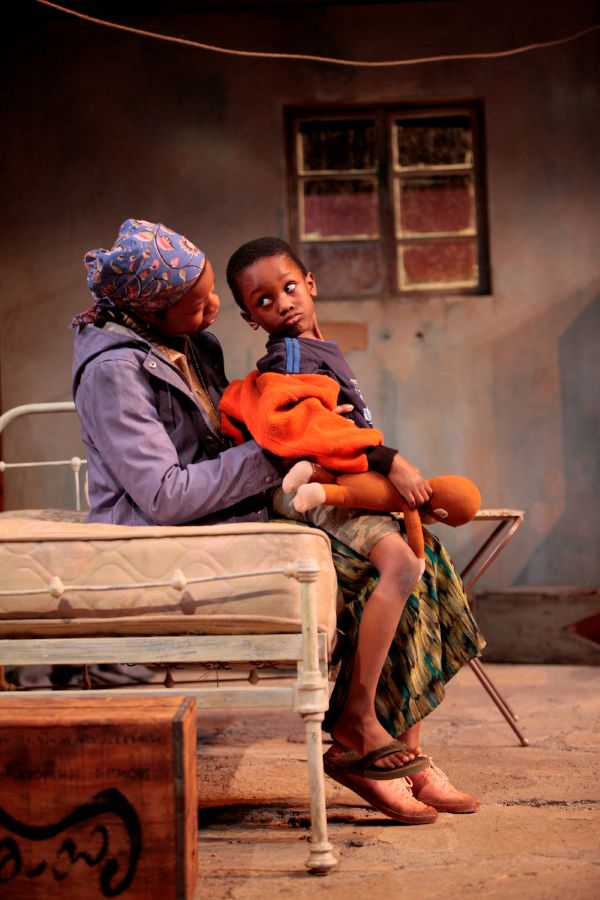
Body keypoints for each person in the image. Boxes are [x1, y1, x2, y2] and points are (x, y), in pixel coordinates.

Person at [225, 237, 484, 820]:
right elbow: (298, 430)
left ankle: (409, 755)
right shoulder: (288, 358)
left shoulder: (319, 350)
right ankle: (358, 719)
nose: (282, 303)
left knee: (425, 567)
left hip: (337, 483)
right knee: (403, 564)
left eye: (289, 287)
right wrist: (389, 460)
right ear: (250, 318)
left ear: (310, 283)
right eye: (264, 301)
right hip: (307, 490)